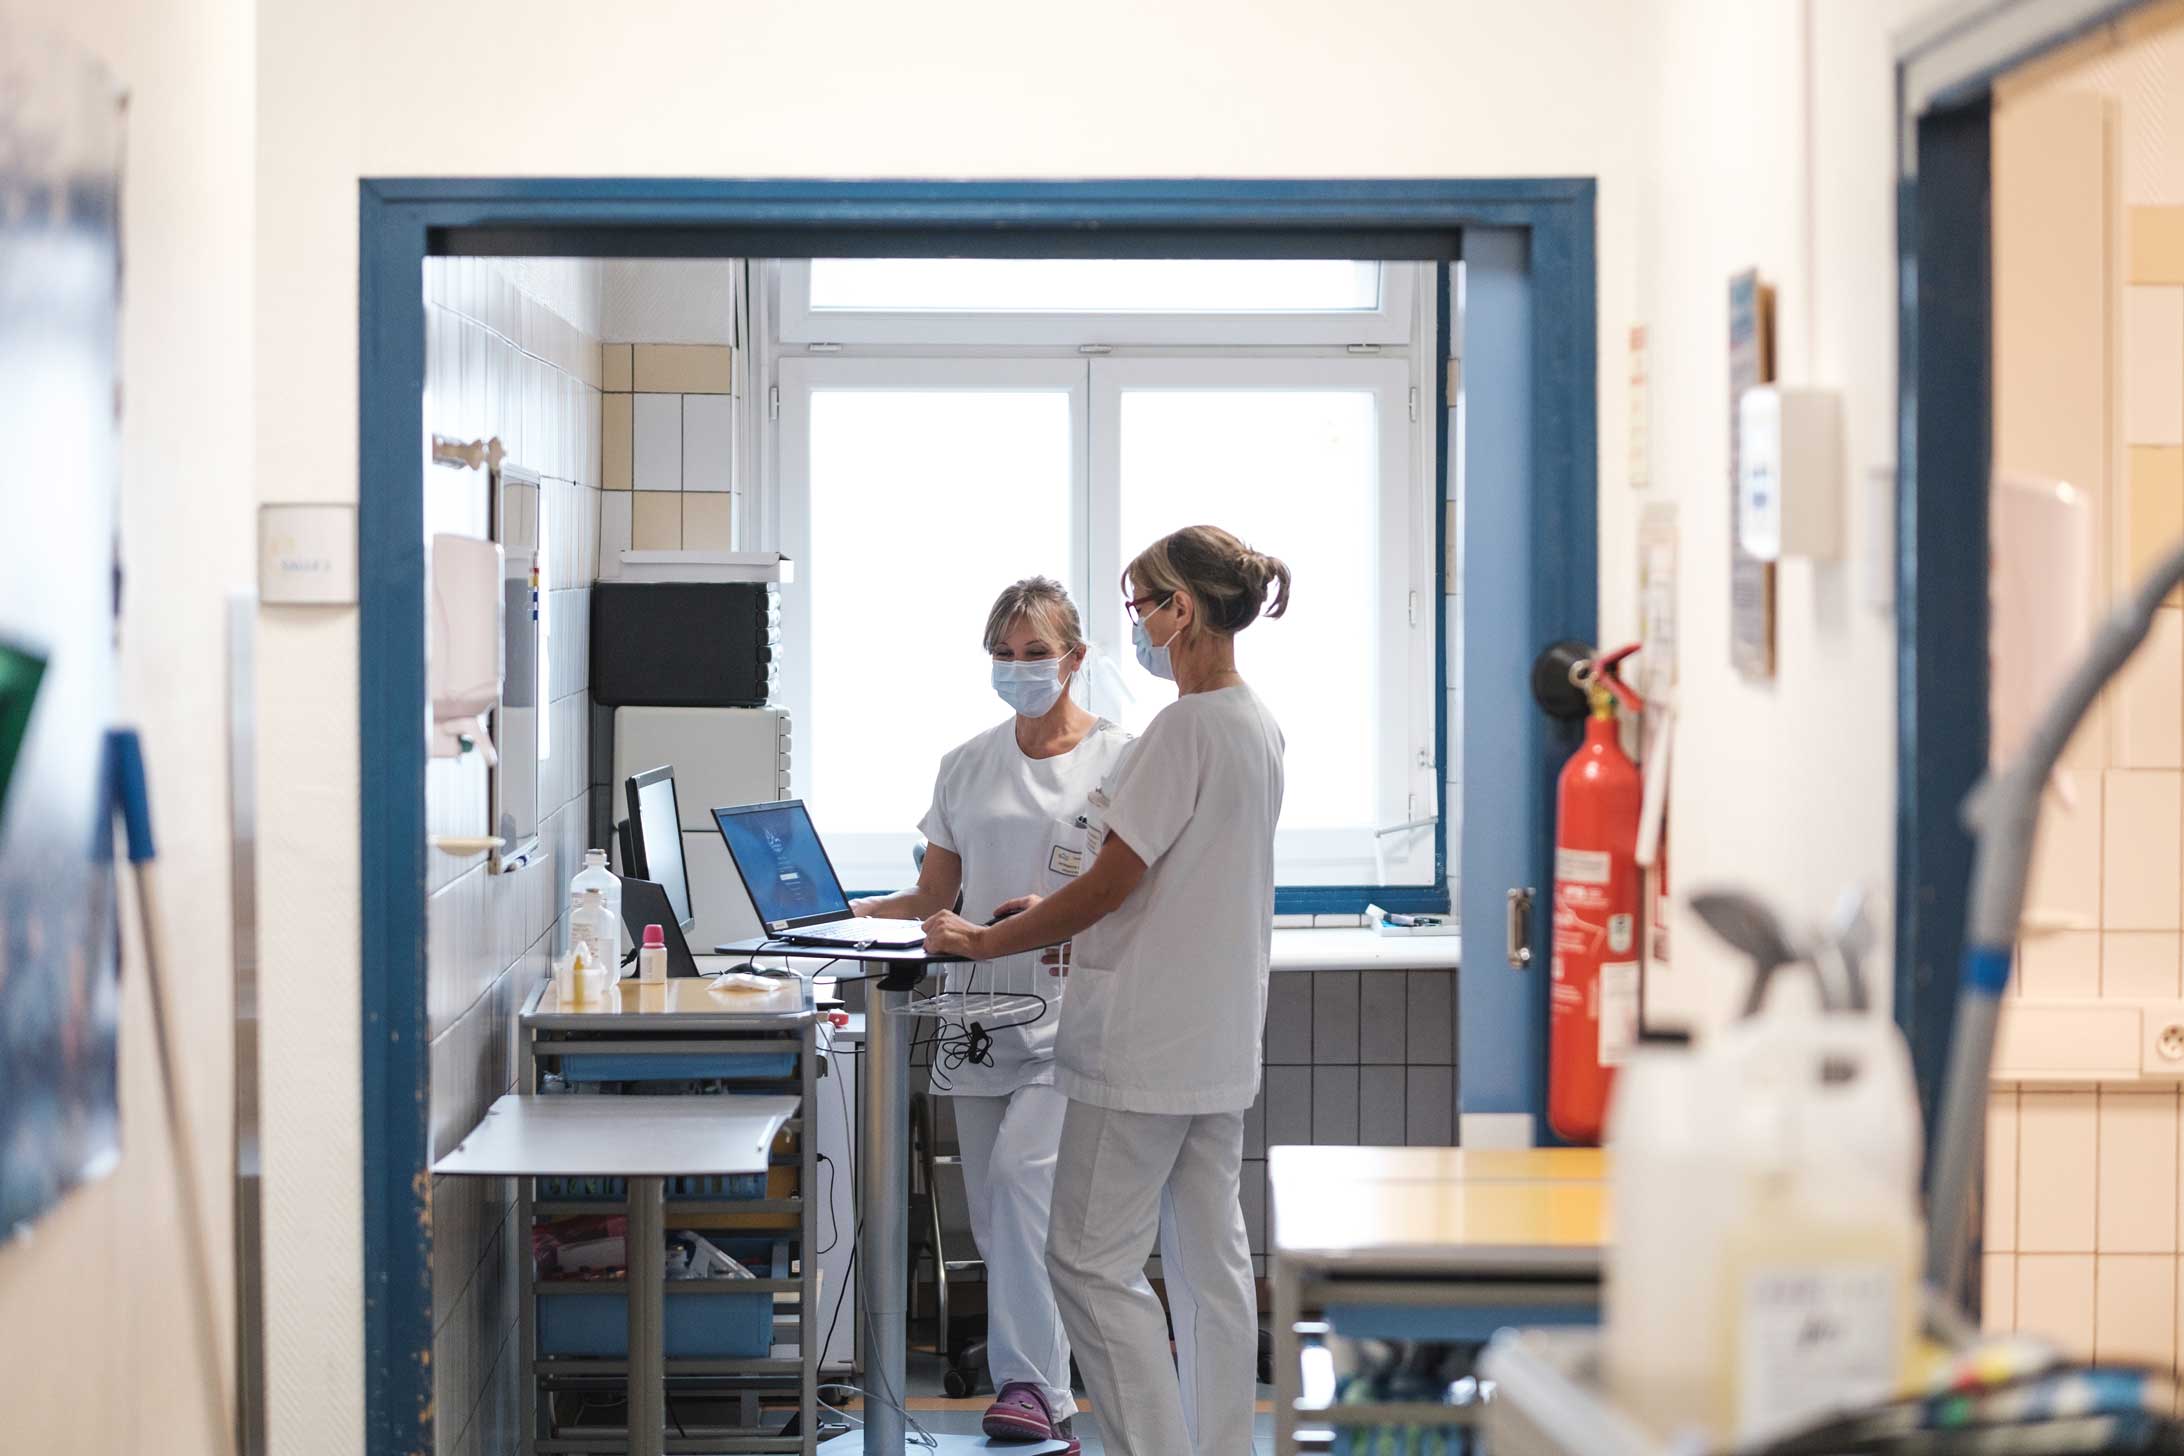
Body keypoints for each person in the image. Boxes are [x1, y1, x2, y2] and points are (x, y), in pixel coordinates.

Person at [923, 525, 1290, 1456]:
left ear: (1184, 609)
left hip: (1142, 1045)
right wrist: (1034, 914)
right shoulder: (1254, 722)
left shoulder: (1179, 730)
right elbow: (1159, 876)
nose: (1137, 624)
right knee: (1211, 1262)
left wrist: (987, 937)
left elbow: (1110, 885)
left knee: (1086, 1262)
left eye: (1142, 605)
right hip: (1214, 1041)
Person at [850, 576, 1132, 1451]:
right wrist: (846, 914)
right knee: (994, 1201)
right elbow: (938, 892)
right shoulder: (966, 764)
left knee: (1020, 1180)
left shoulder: (1121, 761)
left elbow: (1128, 891)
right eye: (1003, 656)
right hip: (976, 1017)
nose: (1019, 670)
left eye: (1036, 654)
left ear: (1076, 659)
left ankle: (1031, 1386)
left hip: (1074, 1018)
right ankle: (1040, 1390)